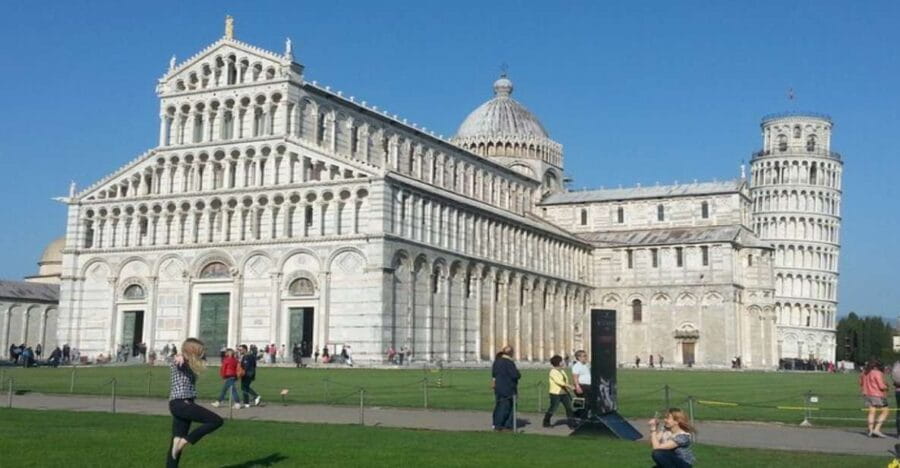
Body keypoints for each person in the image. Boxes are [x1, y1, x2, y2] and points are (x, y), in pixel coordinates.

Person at [167, 338, 223, 467]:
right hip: (181, 404)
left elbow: (202, 360)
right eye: (200, 350)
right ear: (193, 350)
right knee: (216, 421)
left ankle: (179, 444)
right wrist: (179, 355)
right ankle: (186, 440)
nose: (203, 353)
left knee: (175, 447)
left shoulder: (190, 362)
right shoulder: (179, 361)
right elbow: (175, 361)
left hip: (180, 404)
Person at [491, 345, 520, 432]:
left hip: (498, 387)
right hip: (508, 387)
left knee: (499, 406)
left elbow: (494, 374)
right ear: (511, 353)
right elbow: (515, 375)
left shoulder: (497, 362)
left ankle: (496, 423)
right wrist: (518, 374)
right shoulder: (509, 363)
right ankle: (506, 425)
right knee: (508, 407)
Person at [543, 355, 576, 428]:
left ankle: (571, 424)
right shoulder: (553, 371)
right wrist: (569, 386)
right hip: (556, 393)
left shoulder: (562, 371)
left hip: (564, 393)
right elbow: (559, 381)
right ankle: (546, 422)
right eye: (561, 361)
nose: (563, 362)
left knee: (569, 408)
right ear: (558, 362)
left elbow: (565, 380)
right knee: (553, 408)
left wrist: (569, 386)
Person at [861, 358, 890, 437]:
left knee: (872, 412)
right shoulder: (877, 373)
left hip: (867, 394)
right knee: (885, 411)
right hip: (877, 395)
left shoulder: (864, 372)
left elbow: (861, 383)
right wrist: (887, 386)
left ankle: (870, 430)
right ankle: (876, 429)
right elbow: (881, 386)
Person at [571, 350, 591, 418]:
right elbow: (575, 377)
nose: (586, 357)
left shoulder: (586, 365)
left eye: (586, 356)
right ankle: (582, 418)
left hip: (588, 386)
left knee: (586, 403)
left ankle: (575, 415)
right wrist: (577, 386)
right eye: (584, 356)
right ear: (579, 357)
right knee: (585, 403)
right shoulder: (577, 366)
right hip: (581, 386)